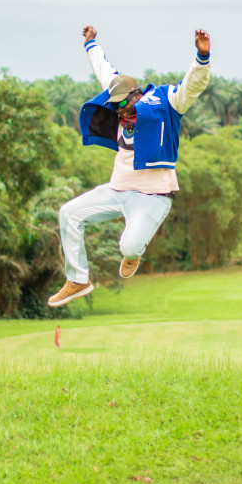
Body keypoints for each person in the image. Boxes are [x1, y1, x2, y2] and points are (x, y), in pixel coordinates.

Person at [48, 25, 211, 307]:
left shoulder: (165, 102)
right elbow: (104, 70)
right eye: (116, 106)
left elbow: (191, 87)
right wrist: (91, 43)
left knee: (129, 245)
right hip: (117, 190)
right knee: (69, 214)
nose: (121, 110)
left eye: (124, 103)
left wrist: (202, 58)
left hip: (152, 197)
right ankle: (77, 279)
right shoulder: (120, 104)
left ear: (137, 95)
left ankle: (133, 253)